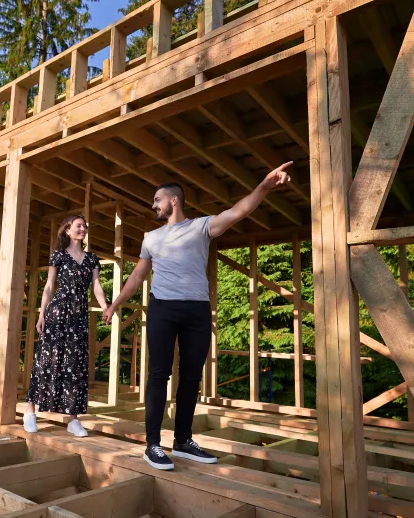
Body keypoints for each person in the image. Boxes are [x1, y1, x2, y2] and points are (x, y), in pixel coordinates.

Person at [103, 162, 293, 470]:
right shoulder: (151, 237)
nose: (153, 205)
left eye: (157, 200)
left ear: (173, 200)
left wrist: (264, 186)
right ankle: (153, 444)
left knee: (191, 377)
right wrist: (114, 305)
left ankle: (182, 441)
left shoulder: (201, 226)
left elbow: (238, 211)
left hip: (197, 310)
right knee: (158, 374)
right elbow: (137, 276)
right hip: (163, 307)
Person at [23, 214, 110, 437]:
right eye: (79, 225)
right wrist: (42, 314)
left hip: (78, 317)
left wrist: (105, 307)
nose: (83, 229)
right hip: (57, 312)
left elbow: (97, 286)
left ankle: (73, 419)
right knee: (46, 359)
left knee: (76, 364)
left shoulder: (91, 258)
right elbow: (49, 286)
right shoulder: (58, 255)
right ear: (68, 230)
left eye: (85, 226)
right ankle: (30, 411)